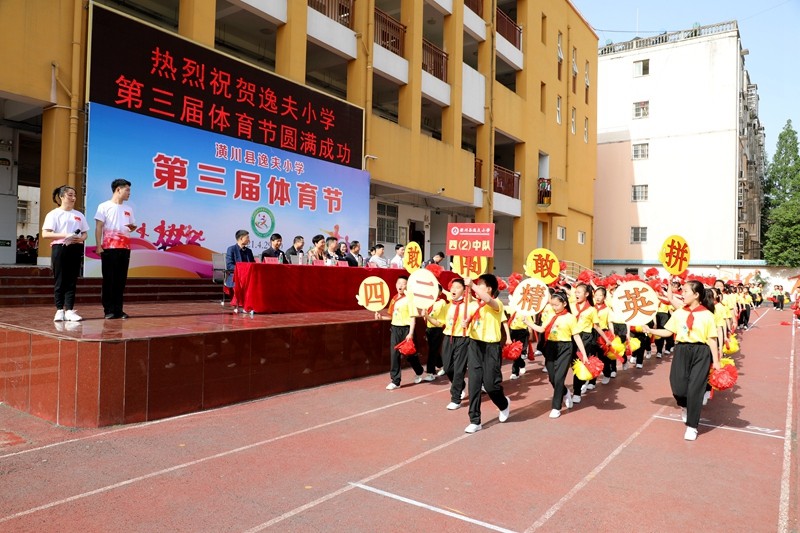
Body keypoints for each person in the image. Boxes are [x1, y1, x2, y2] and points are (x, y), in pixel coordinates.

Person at [645, 280, 720, 441]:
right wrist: (650, 330)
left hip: (701, 351)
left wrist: (716, 361)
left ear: (696, 294)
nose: (682, 294)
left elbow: (712, 339)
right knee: (678, 387)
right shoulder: (679, 313)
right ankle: (684, 405)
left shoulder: (707, 315)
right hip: (681, 350)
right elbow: (668, 331)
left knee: (695, 389)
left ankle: (692, 427)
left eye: (685, 291)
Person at [529, 290, 590, 419]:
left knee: (559, 378)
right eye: (552, 305)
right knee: (552, 378)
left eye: (556, 305)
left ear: (564, 303)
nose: (554, 307)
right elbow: (541, 329)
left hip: (565, 348)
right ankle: (565, 392)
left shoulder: (570, 317)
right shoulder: (551, 315)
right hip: (551, 347)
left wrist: (584, 354)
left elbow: (576, 336)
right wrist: (528, 322)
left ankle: (556, 407)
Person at [462, 274, 510, 433]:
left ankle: (504, 404)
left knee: (491, 385)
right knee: (474, 384)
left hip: (491, 347)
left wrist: (472, 285)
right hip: (474, 345)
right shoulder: (472, 305)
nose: (476, 285)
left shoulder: (496, 304)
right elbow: (471, 321)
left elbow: (488, 300)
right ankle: (475, 420)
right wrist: (466, 323)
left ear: (489, 288)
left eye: (480, 284)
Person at [41, 185, 89, 322]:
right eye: (70, 195)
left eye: (74, 195)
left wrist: (80, 238)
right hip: (60, 247)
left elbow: (85, 233)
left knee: (72, 280)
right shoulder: (54, 214)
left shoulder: (79, 215)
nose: (73, 198)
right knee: (60, 279)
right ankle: (59, 310)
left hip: (75, 247)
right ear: (61, 196)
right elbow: (45, 234)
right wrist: (65, 234)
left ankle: (69, 310)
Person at [375, 275, 432, 389]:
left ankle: (419, 371)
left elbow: (413, 317)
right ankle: (395, 381)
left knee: (410, 354)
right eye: (398, 283)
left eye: (403, 283)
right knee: (394, 354)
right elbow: (392, 316)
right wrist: (381, 317)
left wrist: (410, 333)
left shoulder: (410, 299)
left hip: (406, 329)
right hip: (395, 329)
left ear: (407, 286)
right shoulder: (394, 299)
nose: (400, 285)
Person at [94, 178, 137, 319]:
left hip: (125, 247)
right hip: (109, 248)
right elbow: (99, 227)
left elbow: (131, 226)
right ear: (118, 189)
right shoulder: (104, 206)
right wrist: (99, 246)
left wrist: (132, 227)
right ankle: (109, 310)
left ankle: (119, 310)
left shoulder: (128, 209)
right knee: (109, 280)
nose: (129, 193)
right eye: (127, 190)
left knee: (121, 280)